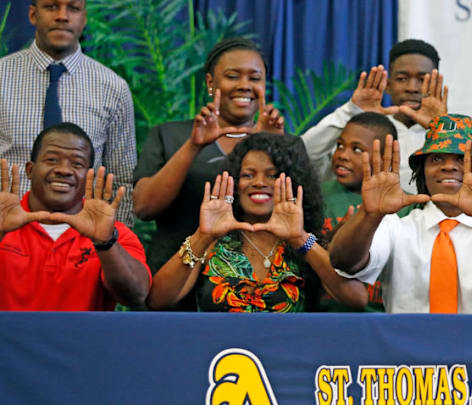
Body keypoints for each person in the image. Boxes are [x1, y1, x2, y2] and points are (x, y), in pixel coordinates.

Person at [329, 114, 472, 314]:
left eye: (462, 159)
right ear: (422, 171)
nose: (449, 166)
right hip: (409, 360)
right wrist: (370, 215)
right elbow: (344, 262)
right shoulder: (396, 227)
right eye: (437, 158)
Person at [133, 38, 284, 305]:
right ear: (210, 82)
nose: (244, 85)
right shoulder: (170, 135)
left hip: (248, 294)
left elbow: (293, 216)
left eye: (255, 77)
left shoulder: (279, 140)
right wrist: (194, 145)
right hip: (174, 286)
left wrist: (270, 146)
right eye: (232, 76)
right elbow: (144, 207)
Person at [147, 133, 368, 312]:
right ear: (234, 182)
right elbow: (158, 300)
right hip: (217, 359)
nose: (259, 183)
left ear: (292, 183)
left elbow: (356, 298)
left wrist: (299, 238)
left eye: (272, 176)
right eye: (248, 175)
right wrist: (202, 236)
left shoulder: (307, 241)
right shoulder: (213, 239)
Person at [0, 0, 136, 226]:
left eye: (73, 8)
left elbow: (122, 180)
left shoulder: (113, 88)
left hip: (82, 242)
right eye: (52, 7)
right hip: (8, 237)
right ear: (33, 15)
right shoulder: (2, 77)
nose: (62, 16)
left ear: (84, 18)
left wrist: (110, 244)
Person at [0, 123, 151, 310]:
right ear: (30, 170)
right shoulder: (4, 222)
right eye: (52, 160)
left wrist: (105, 243)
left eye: (77, 164)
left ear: (90, 176)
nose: (64, 170)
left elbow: (137, 295)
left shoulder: (114, 234)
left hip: (82, 340)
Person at [302, 39, 443, 193]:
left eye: (422, 80)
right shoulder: (367, 130)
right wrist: (351, 110)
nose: (412, 88)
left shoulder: (448, 133)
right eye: (402, 79)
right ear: (388, 85)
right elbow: (304, 154)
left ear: (436, 85)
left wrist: (441, 127)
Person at [318, 112, 398, 312]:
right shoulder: (317, 195)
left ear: (385, 156)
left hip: (381, 321)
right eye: (340, 145)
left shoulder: (404, 206)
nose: (343, 155)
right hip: (323, 317)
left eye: (357, 149)